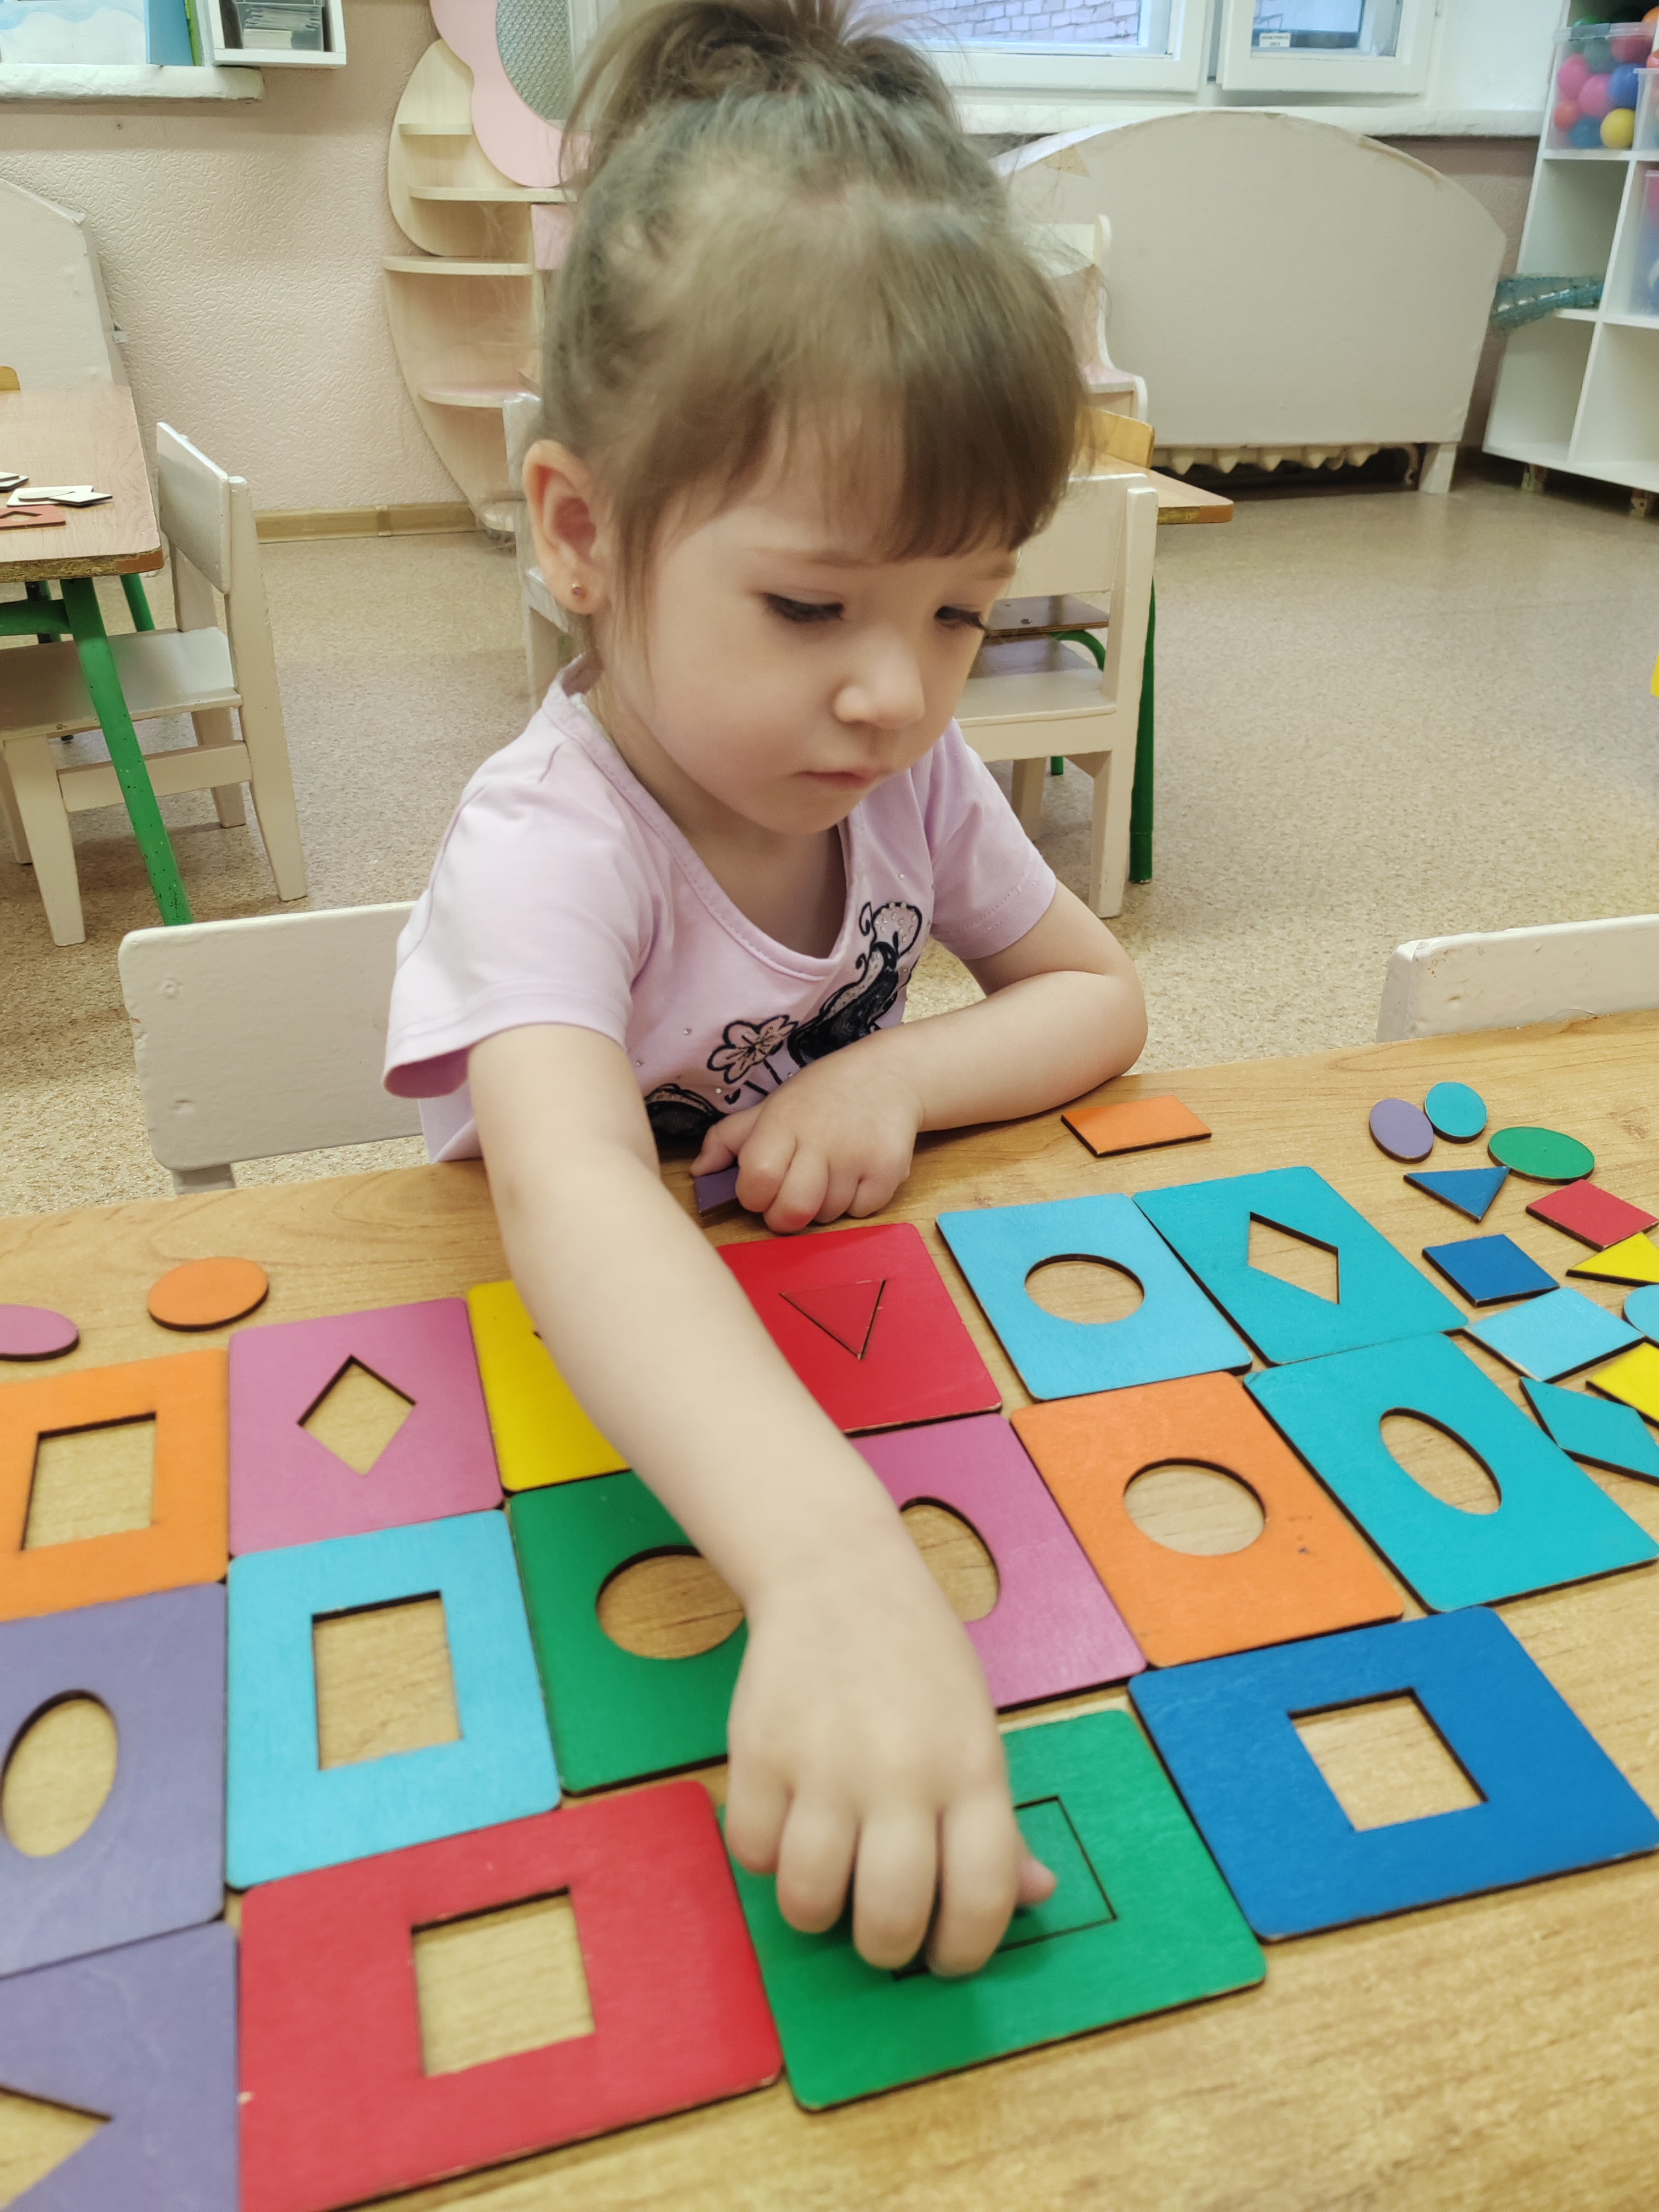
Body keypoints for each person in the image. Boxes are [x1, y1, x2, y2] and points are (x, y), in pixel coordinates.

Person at [385, 0, 1147, 1977]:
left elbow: (1096, 997)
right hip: (573, 1395)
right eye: (813, 604)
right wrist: (828, 1567)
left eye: (960, 608)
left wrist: (900, 1078)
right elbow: (571, 1190)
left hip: (838, 1334)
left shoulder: (905, 778)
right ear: (581, 532)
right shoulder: (550, 843)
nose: (895, 691)